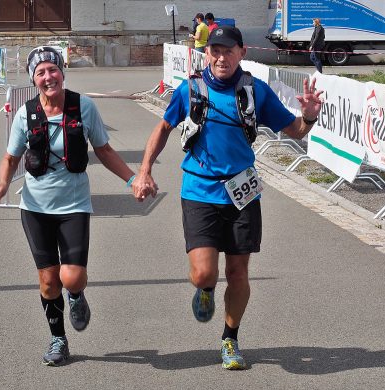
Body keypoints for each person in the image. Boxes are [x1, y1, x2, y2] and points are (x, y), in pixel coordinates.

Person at [133, 26, 323, 370]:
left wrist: (309, 115)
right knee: (205, 273)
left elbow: (294, 130)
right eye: (215, 51)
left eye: (228, 51)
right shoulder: (190, 89)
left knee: (238, 271)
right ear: (207, 54)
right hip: (199, 189)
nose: (221, 58)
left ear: (241, 53)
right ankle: (205, 290)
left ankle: (230, 338)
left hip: (242, 192)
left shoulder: (255, 91)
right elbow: (163, 128)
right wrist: (145, 170)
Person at [0, 46, 137, 366]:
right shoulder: (25, 114)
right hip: (35, 208)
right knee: (48, 279)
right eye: (40, 72)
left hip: (74, 205)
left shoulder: (84, 107)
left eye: (52, 70)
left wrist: (132, 180)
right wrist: (1, 183)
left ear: (62, 73)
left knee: (71, 278)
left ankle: (77, 296)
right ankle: (58, 338)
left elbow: (105, 151)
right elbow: (11, 157)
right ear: (33, 79)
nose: (47, 76)